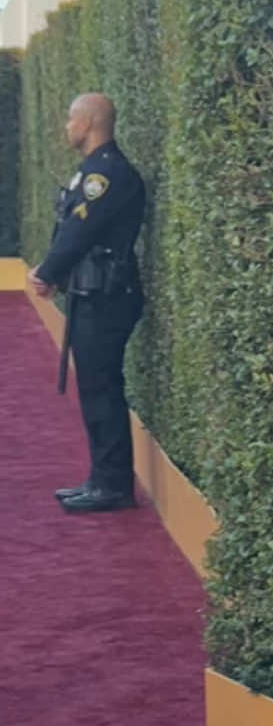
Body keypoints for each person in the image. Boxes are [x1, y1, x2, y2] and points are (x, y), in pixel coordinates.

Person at [28, 94, 146, 514]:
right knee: (95, 388)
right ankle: (101, 479)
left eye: (70, 118)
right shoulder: (93, 171)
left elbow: (79, 232)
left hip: (108, 297)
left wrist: (46, 272)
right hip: (92, 293)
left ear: (89, 122)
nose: (66, 127)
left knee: (103, 389)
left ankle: (113, 487)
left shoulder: (107, 175)